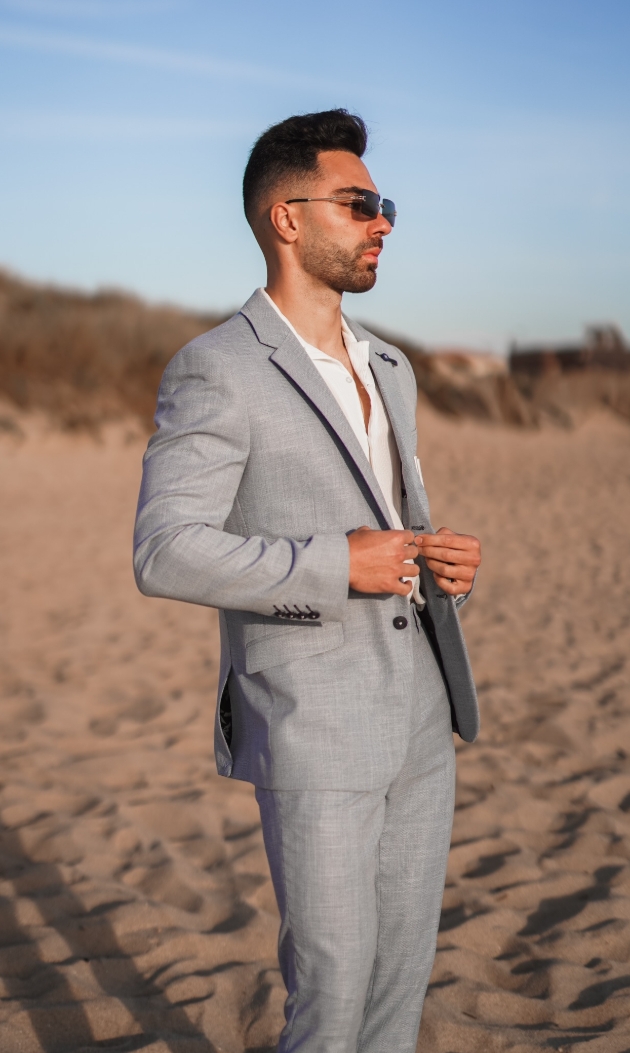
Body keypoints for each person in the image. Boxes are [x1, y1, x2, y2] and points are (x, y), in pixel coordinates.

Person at [133, 108, 481, 1053]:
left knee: (397, 994)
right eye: (359, 203)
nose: (383, 221)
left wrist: (444, 569)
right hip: (313, 725)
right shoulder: (217, 368)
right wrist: (337, 563)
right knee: (330, 1003)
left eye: (384, 203)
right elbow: (164, 549)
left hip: (423, 715)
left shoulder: (391, 365)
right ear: (286, 218)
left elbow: (390, 522)